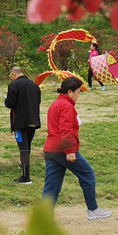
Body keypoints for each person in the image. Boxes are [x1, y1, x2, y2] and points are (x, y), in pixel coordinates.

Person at [41, 76, 112, 220]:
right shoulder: (67, 106)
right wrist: (70, 151)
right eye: (78, 92)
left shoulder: (55, 103)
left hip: (51, 150)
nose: (78, 95)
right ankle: (93, 210)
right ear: (70, 91)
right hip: (62, 149)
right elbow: (66, 129)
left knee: (51, 186)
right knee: (88, 175)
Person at [5, 66, 42, 185]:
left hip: (20, 121)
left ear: (14, 74)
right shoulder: (35, 86)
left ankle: (26, 177)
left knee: (23, 148)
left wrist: (6, 100)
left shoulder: (14, 85)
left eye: (11, 77)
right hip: (33, 120)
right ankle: (24, 166)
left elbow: (10, 103)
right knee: (27, 146)